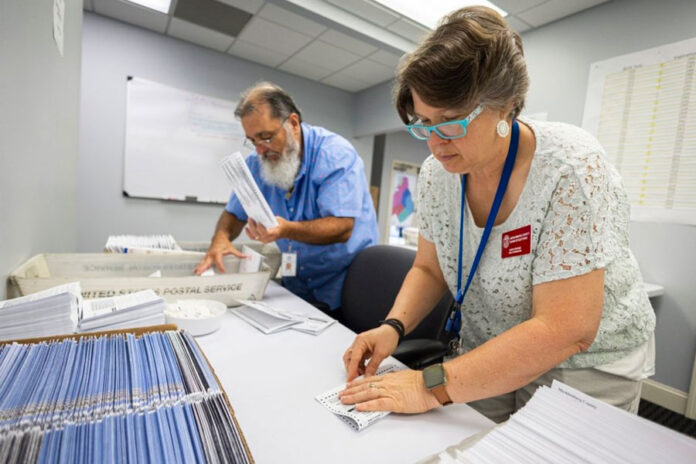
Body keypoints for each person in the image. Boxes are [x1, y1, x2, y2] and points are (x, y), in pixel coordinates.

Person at [340, 6, 655, 422]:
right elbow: (430, 269)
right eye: (424, 122)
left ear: (506, 106)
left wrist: (425, 385)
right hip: (487, 345)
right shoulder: (437, 174)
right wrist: (393, 327)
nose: (434, 142)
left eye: (451, 122)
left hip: (583, 362)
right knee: (463, 442)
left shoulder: (571, 167)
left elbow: (566, 329)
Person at [195, 82, 378, 321]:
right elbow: (233, 214)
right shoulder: (256, 163)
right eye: (252, 141)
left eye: (266, 137)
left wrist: (285, 229)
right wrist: (220, 239)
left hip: (345, 285)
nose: (260, 150)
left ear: (293, 123)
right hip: (297, 284)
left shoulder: (335, 154)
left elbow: (342, 227)